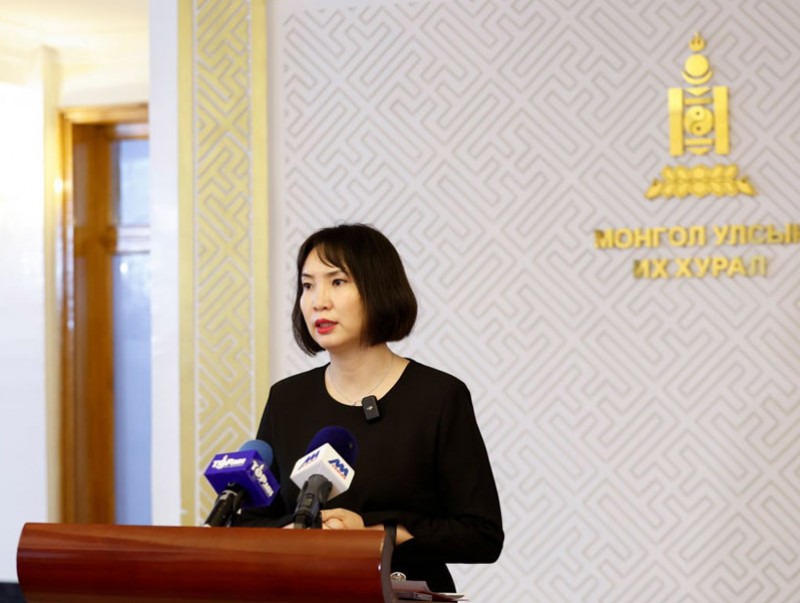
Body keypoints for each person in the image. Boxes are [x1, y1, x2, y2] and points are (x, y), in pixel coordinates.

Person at [238, 223, 503, 592]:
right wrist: (303, 530)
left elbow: (481, 534)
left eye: (337, 281)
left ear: (378, 288)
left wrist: (376, 533)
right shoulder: (287, 399)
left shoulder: (438, 396)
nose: (318, 301)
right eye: (307, 285)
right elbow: (249, 522)